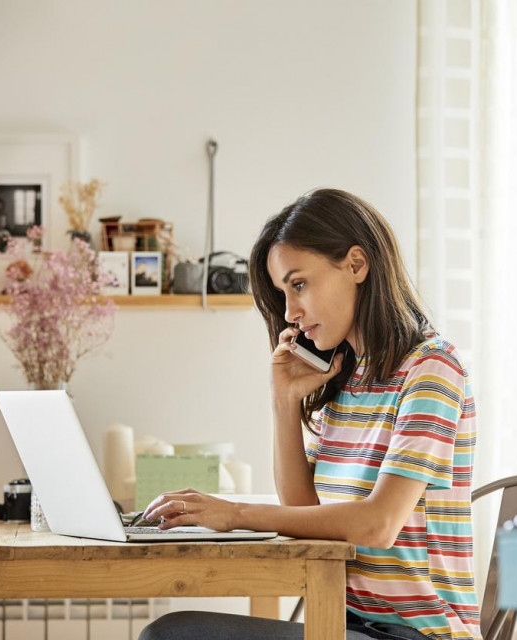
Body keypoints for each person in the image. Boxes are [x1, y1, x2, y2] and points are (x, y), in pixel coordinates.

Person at [138, 189, 481, 640]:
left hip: (419, 635)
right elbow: (305, 516)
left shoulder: (431, 368)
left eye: (298, 284)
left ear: (357, 264)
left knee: (173, 636)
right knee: (174, 632)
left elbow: (378, 525)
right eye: (283, 293)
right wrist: (283, 403)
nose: (289, 313)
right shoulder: (346, 381)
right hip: (344, 624)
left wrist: (234, 513)